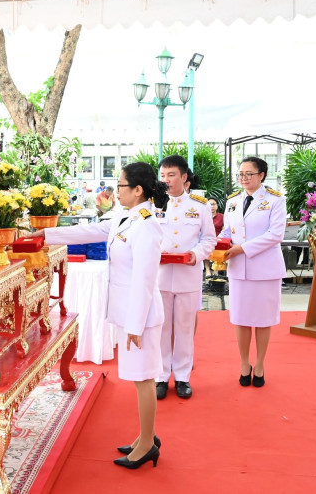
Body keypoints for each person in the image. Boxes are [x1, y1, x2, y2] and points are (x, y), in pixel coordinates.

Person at [32, 162, 168, 469]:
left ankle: (148, 444)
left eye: (121, 185)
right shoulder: (125, 215)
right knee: (139, 377)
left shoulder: (147, 226)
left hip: (142, 317)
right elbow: (91, 230)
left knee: (144, 378)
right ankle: (145, 435)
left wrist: (135, 325)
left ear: (138, 190)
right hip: (129, 312)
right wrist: (47, 233)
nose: (115, 190)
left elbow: (145, 280)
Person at [220, 156, 286, 388]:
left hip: (265, 269)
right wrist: (218, 246)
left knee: (263, 319)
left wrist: (242, 248)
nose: (244, 178)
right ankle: (244, 363)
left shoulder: (275, 200)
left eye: (249, 174)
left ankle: (259, 364)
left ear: (261, 175)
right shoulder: (233, 201)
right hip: (239, 269)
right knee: (241, 319)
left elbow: (275, 234)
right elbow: (227, 231)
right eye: (241, 174)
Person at [155, 155, 216, 400]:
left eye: (171, 175)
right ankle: (160, 376)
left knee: (184, 328)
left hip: (188, 275)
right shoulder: (153, 205)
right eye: (163, 175)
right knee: (160, 328)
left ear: (184, 177)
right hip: (160, 276)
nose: (166, 180)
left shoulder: (200, 206)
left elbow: (209, 239)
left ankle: (182, 377)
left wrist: (196, 254)